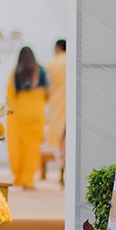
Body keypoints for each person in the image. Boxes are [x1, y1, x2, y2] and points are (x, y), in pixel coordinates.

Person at [6, 46, 49, 190]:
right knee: (33, 148)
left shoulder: (16, 72)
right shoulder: (41, 71)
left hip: (21, 114)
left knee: (22, 146)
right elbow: (48, 91)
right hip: (36, 113)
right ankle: (29, 179)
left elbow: (12, 93)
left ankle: (19, 178)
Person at [44, 40, 67, 185]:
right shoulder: (74, 61)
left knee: (59, 140)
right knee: (68, 140)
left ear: (57, 48)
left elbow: (46, 88)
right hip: (72, 104)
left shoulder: (51, 65)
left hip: (57, 105)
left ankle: (61, 172)